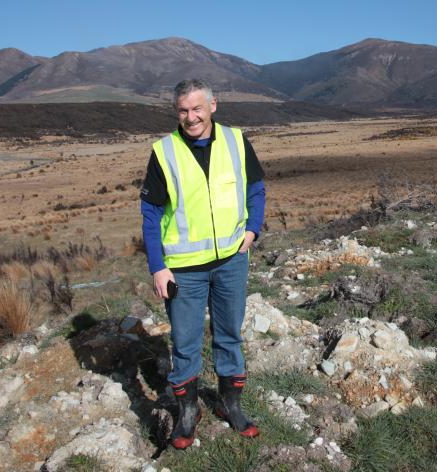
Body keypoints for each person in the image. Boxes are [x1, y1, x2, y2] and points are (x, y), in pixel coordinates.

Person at [140, 78, 266, 449]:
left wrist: (253, 229)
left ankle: (230, 405)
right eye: (183, 110)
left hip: (231, 261)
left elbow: (256, 187)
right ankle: (188, 415)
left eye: (197, 108)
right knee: (185, 344)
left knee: (229, 335)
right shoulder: (164, 152)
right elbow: (150, 212)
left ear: (213, 105)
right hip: (183, 269)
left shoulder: (236, 140)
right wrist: (157, 266)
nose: (191, 117)